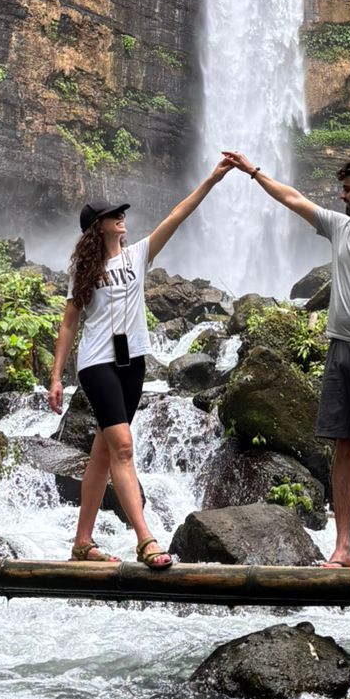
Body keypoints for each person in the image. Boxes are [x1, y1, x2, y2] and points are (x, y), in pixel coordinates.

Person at [222, 150, 350, 569]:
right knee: (346, 446)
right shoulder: (341, 227)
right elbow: (293, 199)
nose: (341, 196)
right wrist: (253, 172)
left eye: (347, 189)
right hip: (340, 350)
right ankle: (343, 549)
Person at [47, 161, 232, 569]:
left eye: (120, 213)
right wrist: (56, 376)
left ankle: (82, 543)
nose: (121, 217)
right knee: (124, 447)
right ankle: (145, 539)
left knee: (103, 452)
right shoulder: (84, 271)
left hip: (133, 363)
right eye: (113, 215)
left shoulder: (138, 255)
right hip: (97, 363)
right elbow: (69, 323)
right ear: (97, 227)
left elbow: (177, 215)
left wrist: (212, 179)